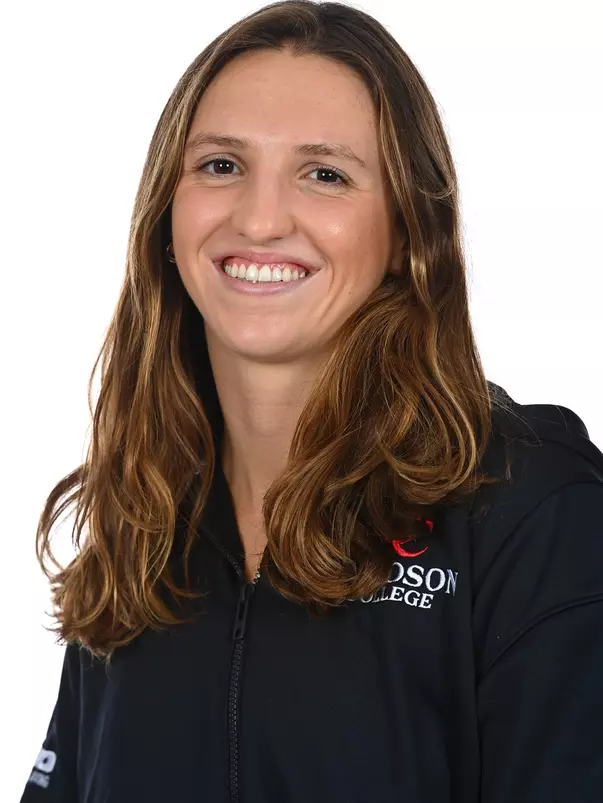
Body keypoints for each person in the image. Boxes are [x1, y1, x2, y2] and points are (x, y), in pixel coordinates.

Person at [19, 1, 603, 802]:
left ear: (406, 235)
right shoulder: (142, 530)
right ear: (166, 213)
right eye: (221, 165)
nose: (259, 219)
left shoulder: (529, 510)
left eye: (324, 173)